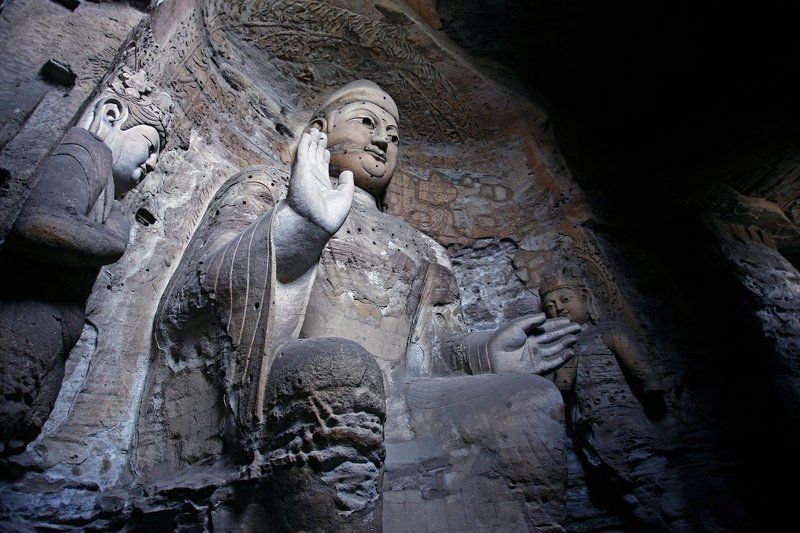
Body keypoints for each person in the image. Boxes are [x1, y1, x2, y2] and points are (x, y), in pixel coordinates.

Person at [149, 80, 579, 530]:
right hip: (297, 381)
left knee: (530, 400)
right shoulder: (268, 187)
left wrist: (485, 353)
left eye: (393, 137)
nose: (381, 141)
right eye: (367, 123)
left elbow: (431, 350)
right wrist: (299, 226)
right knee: (343, 367)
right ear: (320, 129)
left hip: (402, 400)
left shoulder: (425, 247)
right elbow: (195, 298)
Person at [0, 67, 171, 458]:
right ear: (112, 117)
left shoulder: (112, 199)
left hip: (48, 340)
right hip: (20, 320)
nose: (152, 165)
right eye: (150, 146)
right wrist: (113, 239)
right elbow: (39, 225)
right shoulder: (84, 151)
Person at [539, 263, 673, 528]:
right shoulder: (561, 348)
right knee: (624, 490)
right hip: (589, 427)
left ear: (585, 299)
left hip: (624, 418)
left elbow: (639, 367)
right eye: (551, 306)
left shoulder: (607, 332)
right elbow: (562, 385)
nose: (560, 309)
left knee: (650, 474)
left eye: (566, 300)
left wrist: (652, 391)